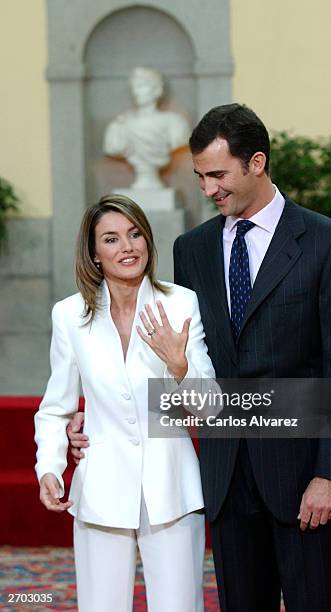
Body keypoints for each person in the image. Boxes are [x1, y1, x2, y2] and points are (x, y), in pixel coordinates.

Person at [70, 104, 331, 611]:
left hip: (303, 479)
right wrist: (96, 423)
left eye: (217, 175)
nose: (208, 189)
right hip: (226, 478)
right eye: (200, 177)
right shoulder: (193, 249)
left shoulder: (328, 243)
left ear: (256, 162)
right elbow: (175, 359)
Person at [34, 194, 215, 612]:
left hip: (171, 488)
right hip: (101, 488)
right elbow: (57, 405)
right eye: (111, 239)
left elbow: (210, 408)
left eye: (135, 235)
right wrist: (49, 465)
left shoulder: (180, 303)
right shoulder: (69, 315)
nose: (127, 247)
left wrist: (179, 363)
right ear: (94, 253)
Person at [103, 66, 190, 189]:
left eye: (141, 86)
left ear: (157, 90)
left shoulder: (174, 123)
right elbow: (112, 148)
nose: (136, 92)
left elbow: (179, 141)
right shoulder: (120, 126)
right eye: (134, 87)